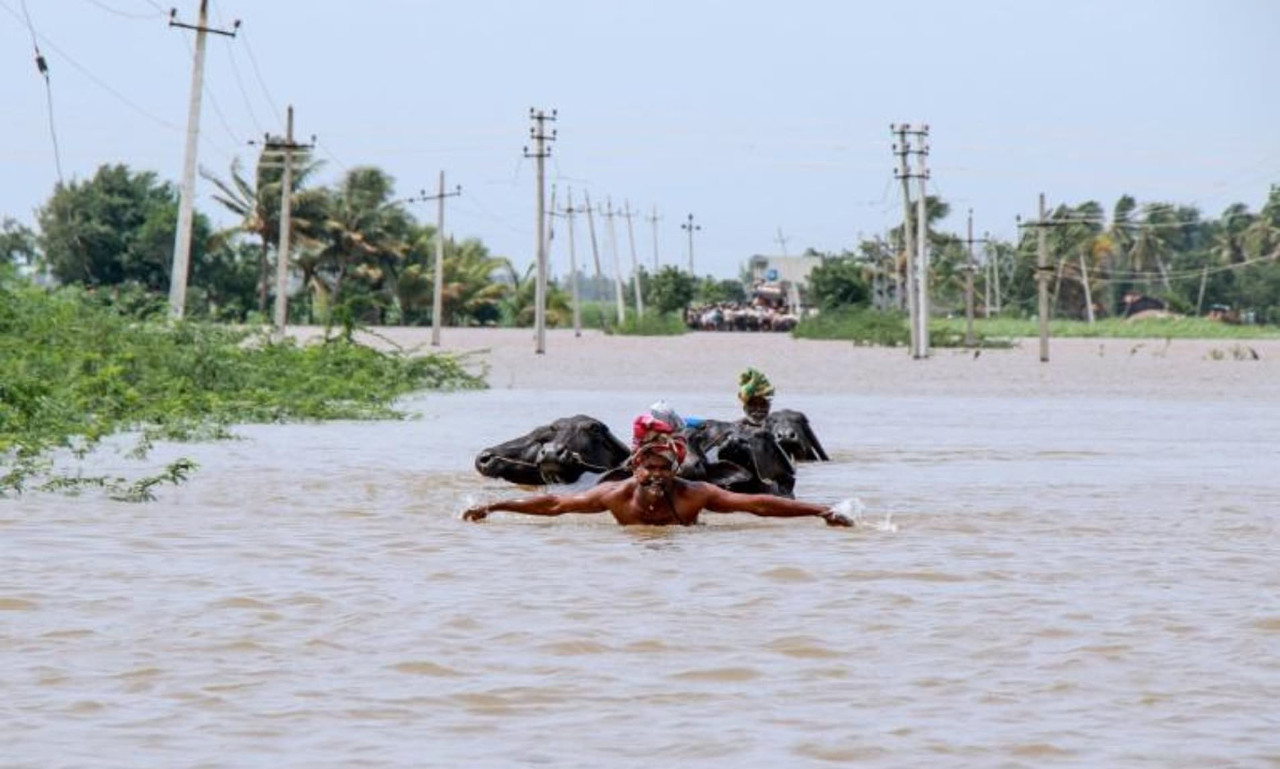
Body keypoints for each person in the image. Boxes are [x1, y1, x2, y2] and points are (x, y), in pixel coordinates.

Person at [462, 414, 851, 527]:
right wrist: (495, 508)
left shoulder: (694, 494)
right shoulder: (614, 495)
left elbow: (758, 504)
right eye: (648, 466)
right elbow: (554, 505)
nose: (655, 474)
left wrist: (822, 511)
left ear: (674, 467)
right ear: (635, 466)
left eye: (663, 467)